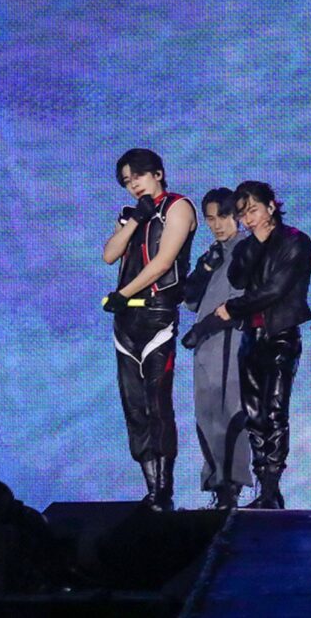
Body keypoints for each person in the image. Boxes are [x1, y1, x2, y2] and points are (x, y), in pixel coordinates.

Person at [101, 148, 196, 511]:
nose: (134, 185)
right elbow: (110, 254)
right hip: (126, 320)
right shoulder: (132, 214)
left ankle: (164, 491)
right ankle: (150, 487)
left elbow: (164, 261)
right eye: (127, 181)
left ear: (157, 173)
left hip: (157, 313)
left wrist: (123, 294)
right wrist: (134, 221)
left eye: (138, 176)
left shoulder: (178, 207)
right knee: (134, 406)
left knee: (157, 403)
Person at [216, 181, 311, 510]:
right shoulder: (248, 245)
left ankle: (272, 489)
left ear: (271, 206)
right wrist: (255, 245)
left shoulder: (295, 241)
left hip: (281, 334)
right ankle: (264, 491)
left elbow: (275, 289)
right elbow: (237, 278)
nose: (249, 219)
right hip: (251, 336)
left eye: (254, 211)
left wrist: (233, 308)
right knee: (254, 415)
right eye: (243, 214)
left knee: (274, 411)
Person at [180, 187, 253, 509]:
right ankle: (217, 485)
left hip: (231, 339)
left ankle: (231, 487)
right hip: (205, 346)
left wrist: (205, 327)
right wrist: (204, 269)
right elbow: (190, 300)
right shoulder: (213, 253)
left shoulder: (247, 249)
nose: (217, 224)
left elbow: (244, 300)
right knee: (206, 411)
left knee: (229, 410)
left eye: (223, 216)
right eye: (210, 219)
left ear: (236, 215)